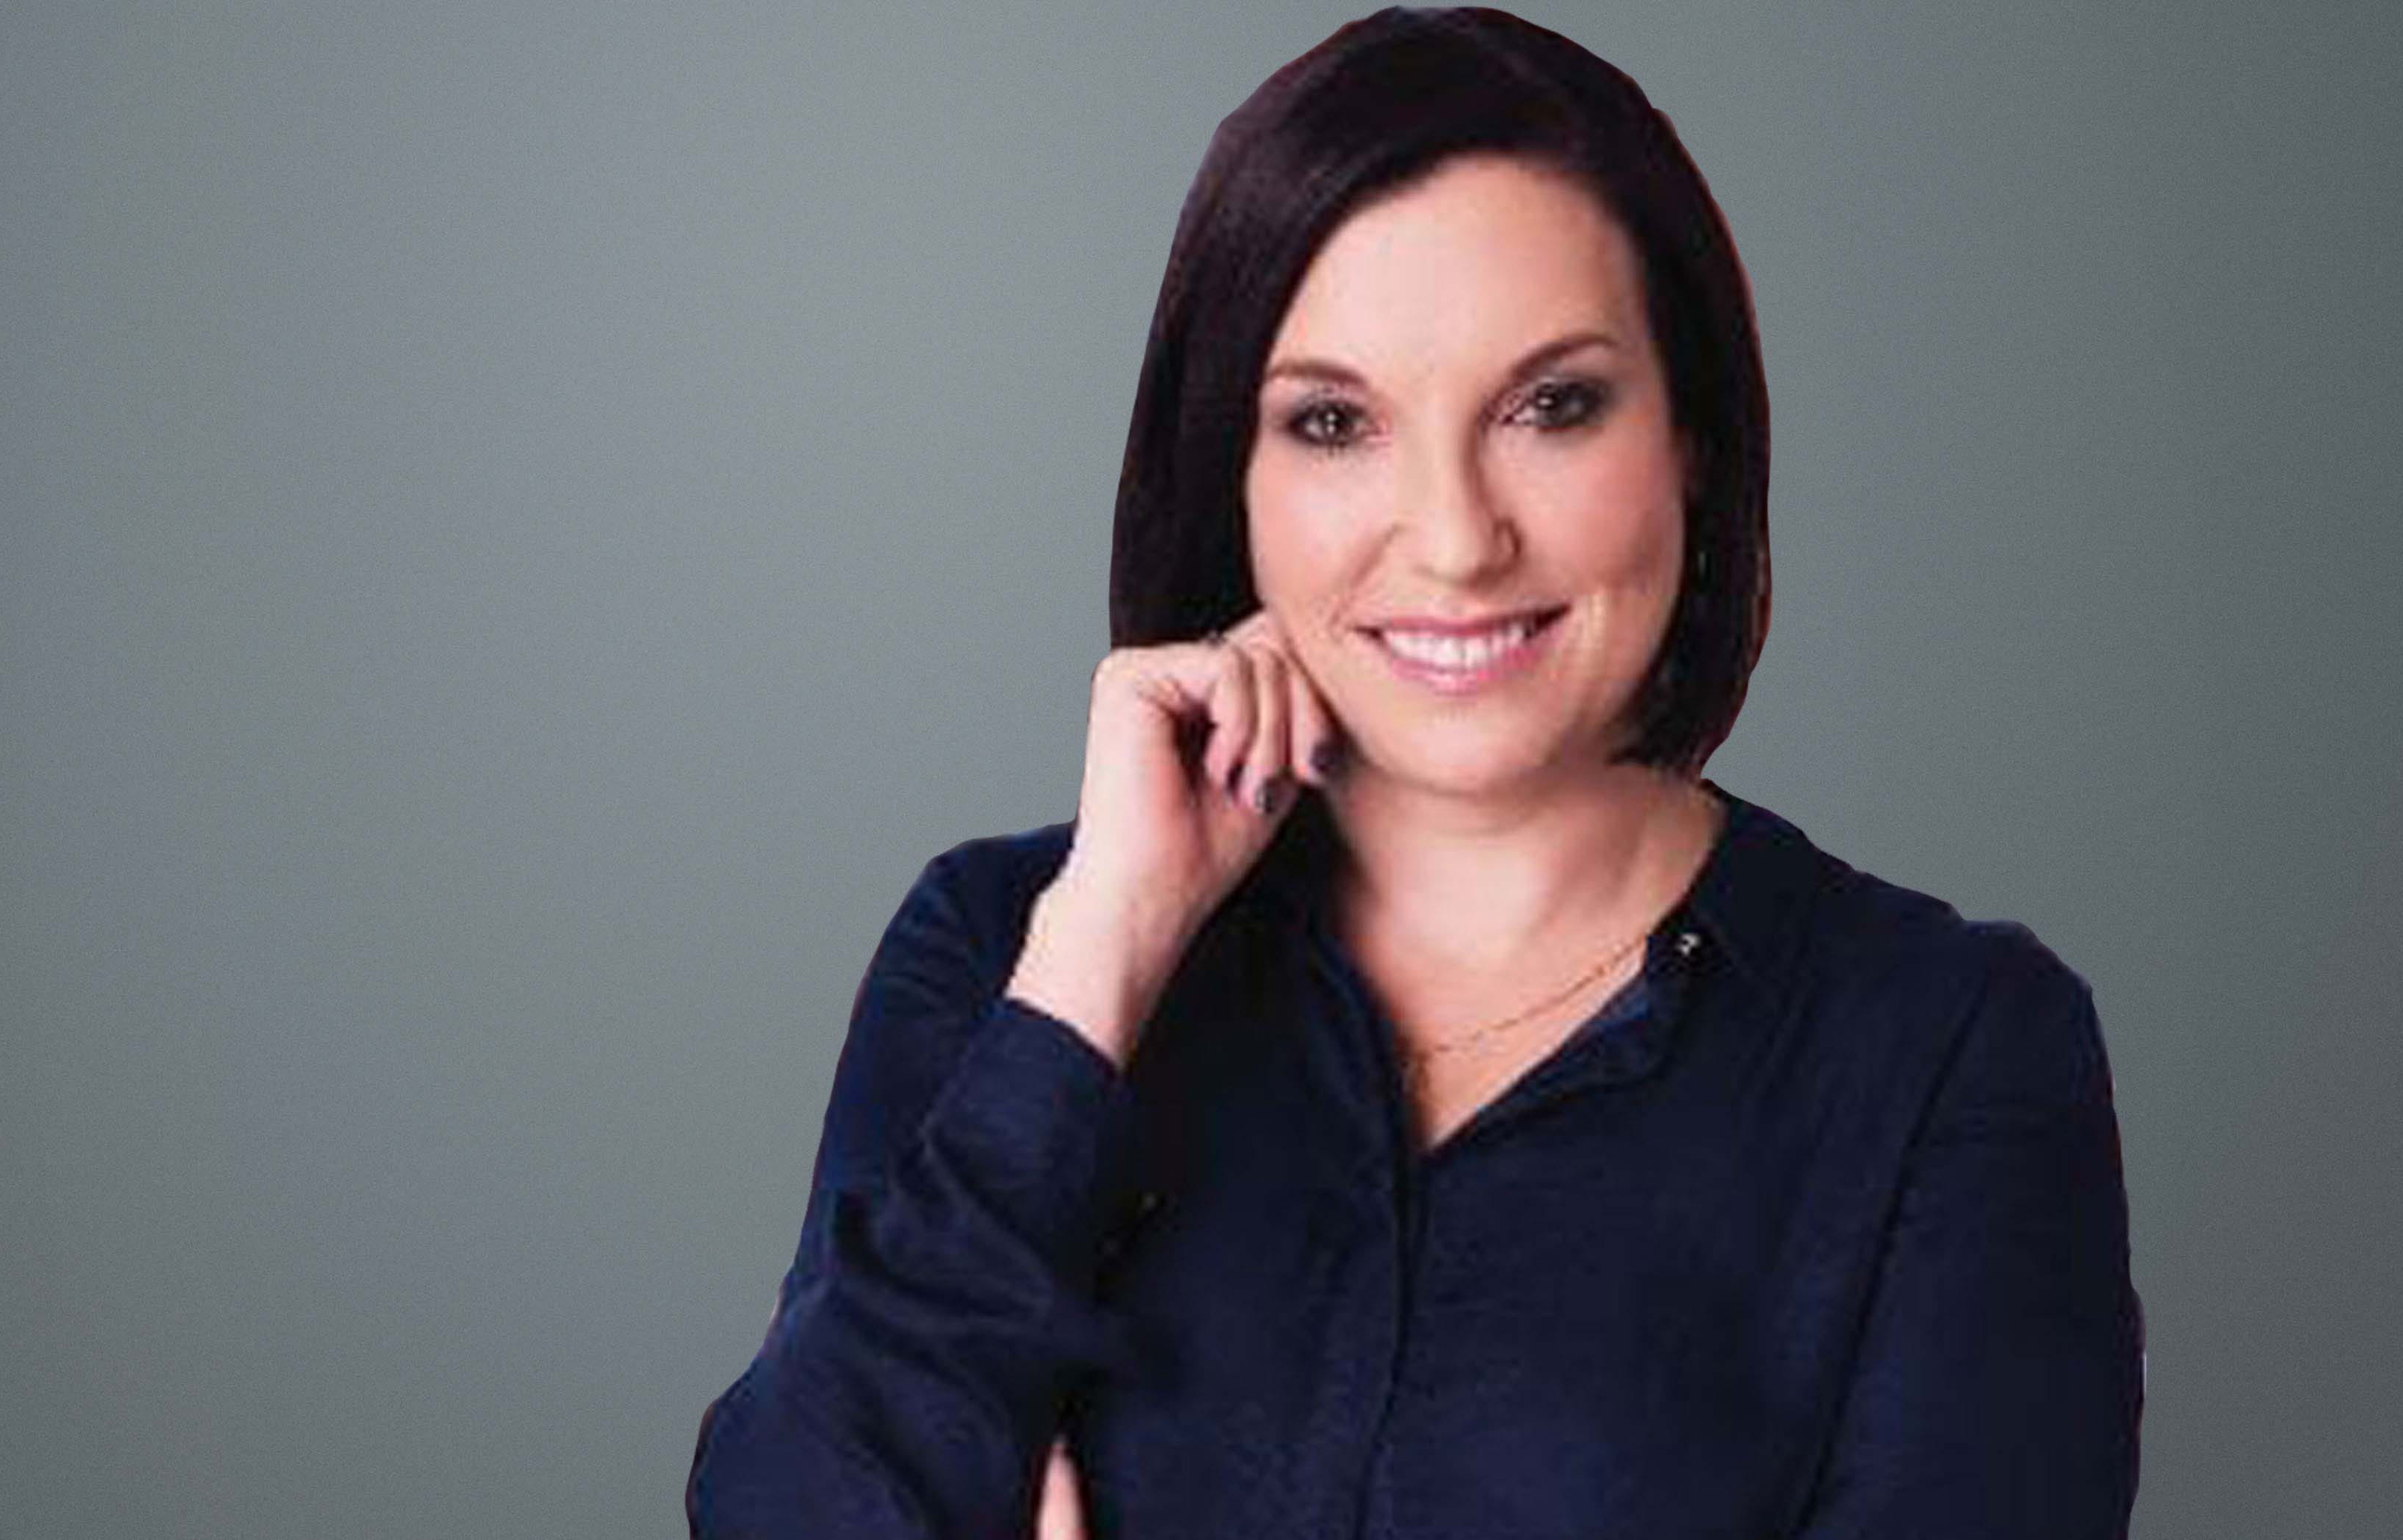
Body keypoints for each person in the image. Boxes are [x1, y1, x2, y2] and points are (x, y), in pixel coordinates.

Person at [687, 9, 2139, 1537]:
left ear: (1693, 437)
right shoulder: (1003, 946)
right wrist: (1104, 954)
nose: (1452, 538)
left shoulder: (1948, 1051)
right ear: (1226, 474)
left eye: (1550, 406)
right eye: (1331, 422)